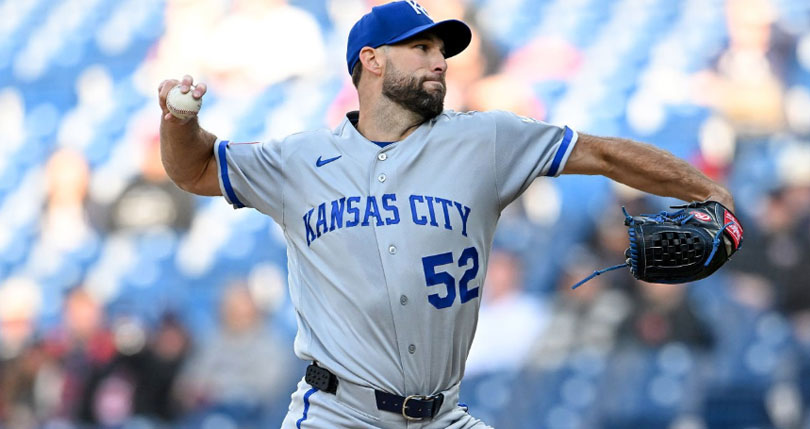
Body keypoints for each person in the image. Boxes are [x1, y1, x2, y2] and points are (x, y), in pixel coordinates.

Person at [156, 2, 735, 427]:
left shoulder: (486, 141)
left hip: (443, 415)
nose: (440, 62)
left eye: (443, 51)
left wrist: (709, 191)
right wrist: (179, 124)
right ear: (371, 60)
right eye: (423, 49)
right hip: (338, 414)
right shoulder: (300, 160)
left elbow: (603, 153)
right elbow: (195, 169)